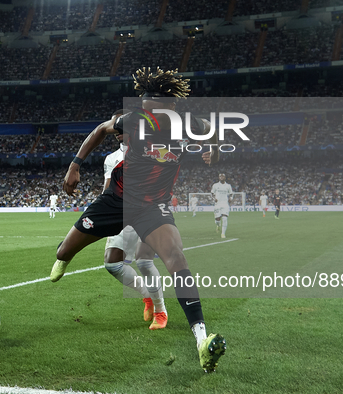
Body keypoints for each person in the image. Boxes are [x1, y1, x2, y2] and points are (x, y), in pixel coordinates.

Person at [50, 67, 226, 372]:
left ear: (168, 107)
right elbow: (101, 130)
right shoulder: (133, 120)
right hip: (116, 200)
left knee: (176, 259)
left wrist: (214, 151)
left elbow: (214, 131)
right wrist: (74, 166)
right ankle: (64, 257)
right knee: (63, 252)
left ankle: (201, 339)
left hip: (153, 207)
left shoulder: (189, 124)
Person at [103, 126, 167, 329]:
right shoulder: (111, 158)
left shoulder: (152, 149)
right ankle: (147, 296)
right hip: (122, 212)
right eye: (115, 128)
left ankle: (161, 312)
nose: (117, 131)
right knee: (112, 264)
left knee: (144, 262)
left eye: (122, 127)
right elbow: (107, 188)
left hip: (149, 210)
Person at [211, 174, 233, 239]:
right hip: (217, 204)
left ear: (225, 177)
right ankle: (218, 225)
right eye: (220, 176)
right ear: (218, 177)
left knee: (225, 218)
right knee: (217, 220)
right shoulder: (215, 185)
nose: (221, 177)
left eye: (223, 176)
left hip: (225, 204)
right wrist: (214, 199)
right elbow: (212, 193)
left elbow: (231, 194)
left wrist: (230, 199)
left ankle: (223, 233)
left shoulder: (228, 186)